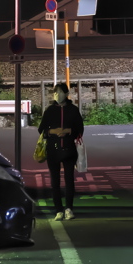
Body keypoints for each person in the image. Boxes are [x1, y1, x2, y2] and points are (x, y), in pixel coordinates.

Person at [37, 83, 84, 221]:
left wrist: (69, 131)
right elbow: (42, 129)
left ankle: (69, 208)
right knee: (54, 182)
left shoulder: (73, 110)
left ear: (66, 93)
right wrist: (53, 132)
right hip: (53, 150)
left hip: (69, 149)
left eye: (60, 92)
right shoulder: (50, 110)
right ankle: (58, 210)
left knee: (69, 181)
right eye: (55, 92)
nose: (57, 95)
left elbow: (80, 129)